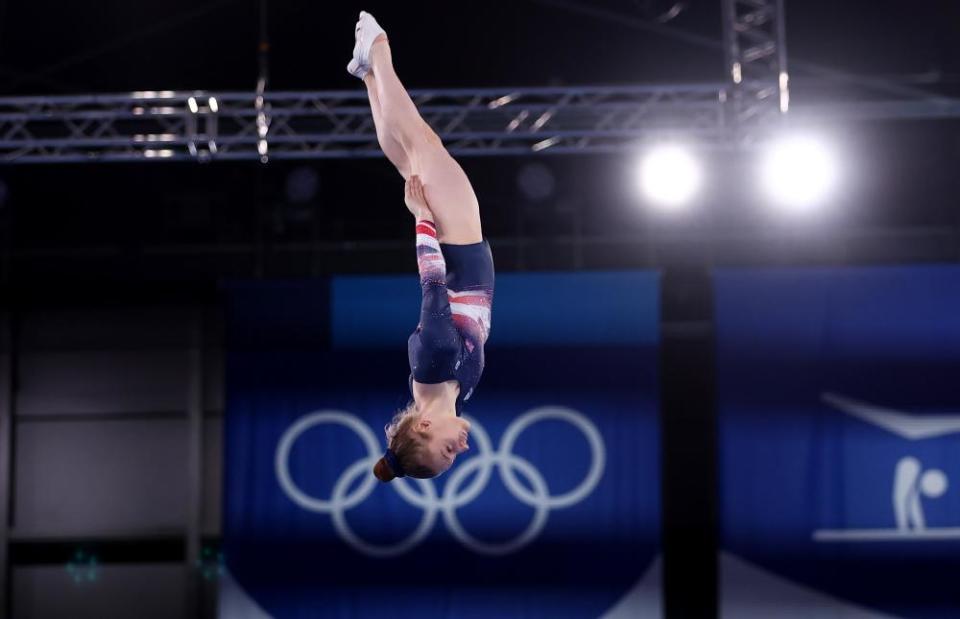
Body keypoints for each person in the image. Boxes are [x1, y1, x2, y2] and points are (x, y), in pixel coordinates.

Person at [345, 11, 494, 481]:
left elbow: (432, 285)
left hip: (455, 243)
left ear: (424, 425)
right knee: (407, 153)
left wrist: (423, 220)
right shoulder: (452, 388)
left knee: (420, 140)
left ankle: (378, 48)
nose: (460, 451)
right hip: (462, 248)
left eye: (446, 453)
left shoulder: (434, 362)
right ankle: (368, 74)